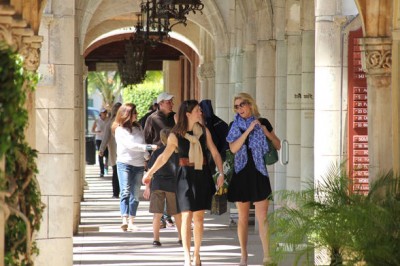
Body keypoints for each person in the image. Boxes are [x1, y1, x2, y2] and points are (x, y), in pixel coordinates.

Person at [143, 100, 225, 266]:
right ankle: (187, 255)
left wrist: (221, 173)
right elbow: (163, 157)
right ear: (188, 114)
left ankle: (197, 254)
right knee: (186, 216)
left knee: (199, 218)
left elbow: (215, 153)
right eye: (197, 110)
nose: (200, 113)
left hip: (202, 176)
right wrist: (150, 174)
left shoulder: (203, 131)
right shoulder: (175, 135)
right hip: (184, 178)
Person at [226, 92, 281, 266]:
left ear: (250, 104)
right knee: (242, 217)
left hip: (259, 172)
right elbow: (233, 149)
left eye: (242, 104)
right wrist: (248, 130)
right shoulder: (233, 125)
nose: (239, 108)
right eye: (236, 106)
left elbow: (278, 145)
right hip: (241, 173)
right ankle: (243, 255)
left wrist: (267, 133)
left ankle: (267, 255)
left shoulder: (263, 122)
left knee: (262, 216)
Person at [112, 103, 157, 232]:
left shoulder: (138, 128)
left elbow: (141, 143)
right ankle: (124, 220)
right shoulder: (119, 130)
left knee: (135, 194)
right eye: (134, 113)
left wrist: (148, 157)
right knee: (125, 191)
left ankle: (131, 221)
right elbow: (131, 145)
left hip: (138, 165)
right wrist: (149, 147)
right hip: (124, 163)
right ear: (127, 115)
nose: (137, 114)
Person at [143, 128, 182, 247]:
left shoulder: (157, 152)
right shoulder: (177, 153)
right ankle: (181, 237)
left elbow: (151, 170)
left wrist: (147, 187)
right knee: (177, 214)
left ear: (161, 139)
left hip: (157, 184)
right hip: (173, 185)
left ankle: (156, 239)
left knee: (157, 214)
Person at [144, 91, 176, 228]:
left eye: (171, 102)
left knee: (172, 188)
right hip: (158, 158)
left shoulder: (175, 118)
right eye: (168, 102)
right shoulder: (152, 118)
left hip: (174, 158)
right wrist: (147, 158)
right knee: (158, 189)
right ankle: (161, 217)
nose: (171, 104)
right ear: (160, 103)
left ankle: (168, 215)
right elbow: (147, 138)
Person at [199, 99, 229, 173]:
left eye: (201, 111)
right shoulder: (220, 123)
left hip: (216, 159)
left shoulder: (214, 124)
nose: (199, 113)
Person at [99, 102, 122, 198]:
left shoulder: (111, 122)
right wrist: (102, 149)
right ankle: (117, 192)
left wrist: (102, 149)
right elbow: (106, 137)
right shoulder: (114, 122)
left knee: (116, 171)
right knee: (118, 171)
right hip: (117, 150)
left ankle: (116, 192)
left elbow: (105, 137)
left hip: (116, 150)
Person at [92, 108, 109, 177]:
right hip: (99, 139)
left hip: (107, 139)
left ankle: (106, 166)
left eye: (105, 112)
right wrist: (97, 132)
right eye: (103, 113)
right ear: (100, 113)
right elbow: (92, 130)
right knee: (100, 155)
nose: (104, 114)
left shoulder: (108, 120)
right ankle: (101, 171)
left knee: (107, 155)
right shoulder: (97, 120)